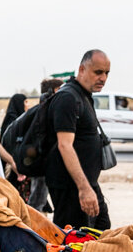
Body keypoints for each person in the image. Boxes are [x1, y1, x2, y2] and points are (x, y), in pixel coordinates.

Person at [46, 50, 112, 230]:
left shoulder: (82, 95)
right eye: (98, 72)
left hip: (88, 184)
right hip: (72, 189)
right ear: (82, 69)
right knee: (74, 246)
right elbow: (64, 145)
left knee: (102, 230)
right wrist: (83, 189)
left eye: (106, 73)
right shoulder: (68, 97)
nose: (103, 78)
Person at [27, 78, 63, 212]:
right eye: (60, 90)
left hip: (47, 163)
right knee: (37, 201)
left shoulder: (45, 109)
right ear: (52, 92)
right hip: (43, 162)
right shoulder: (44, 111)